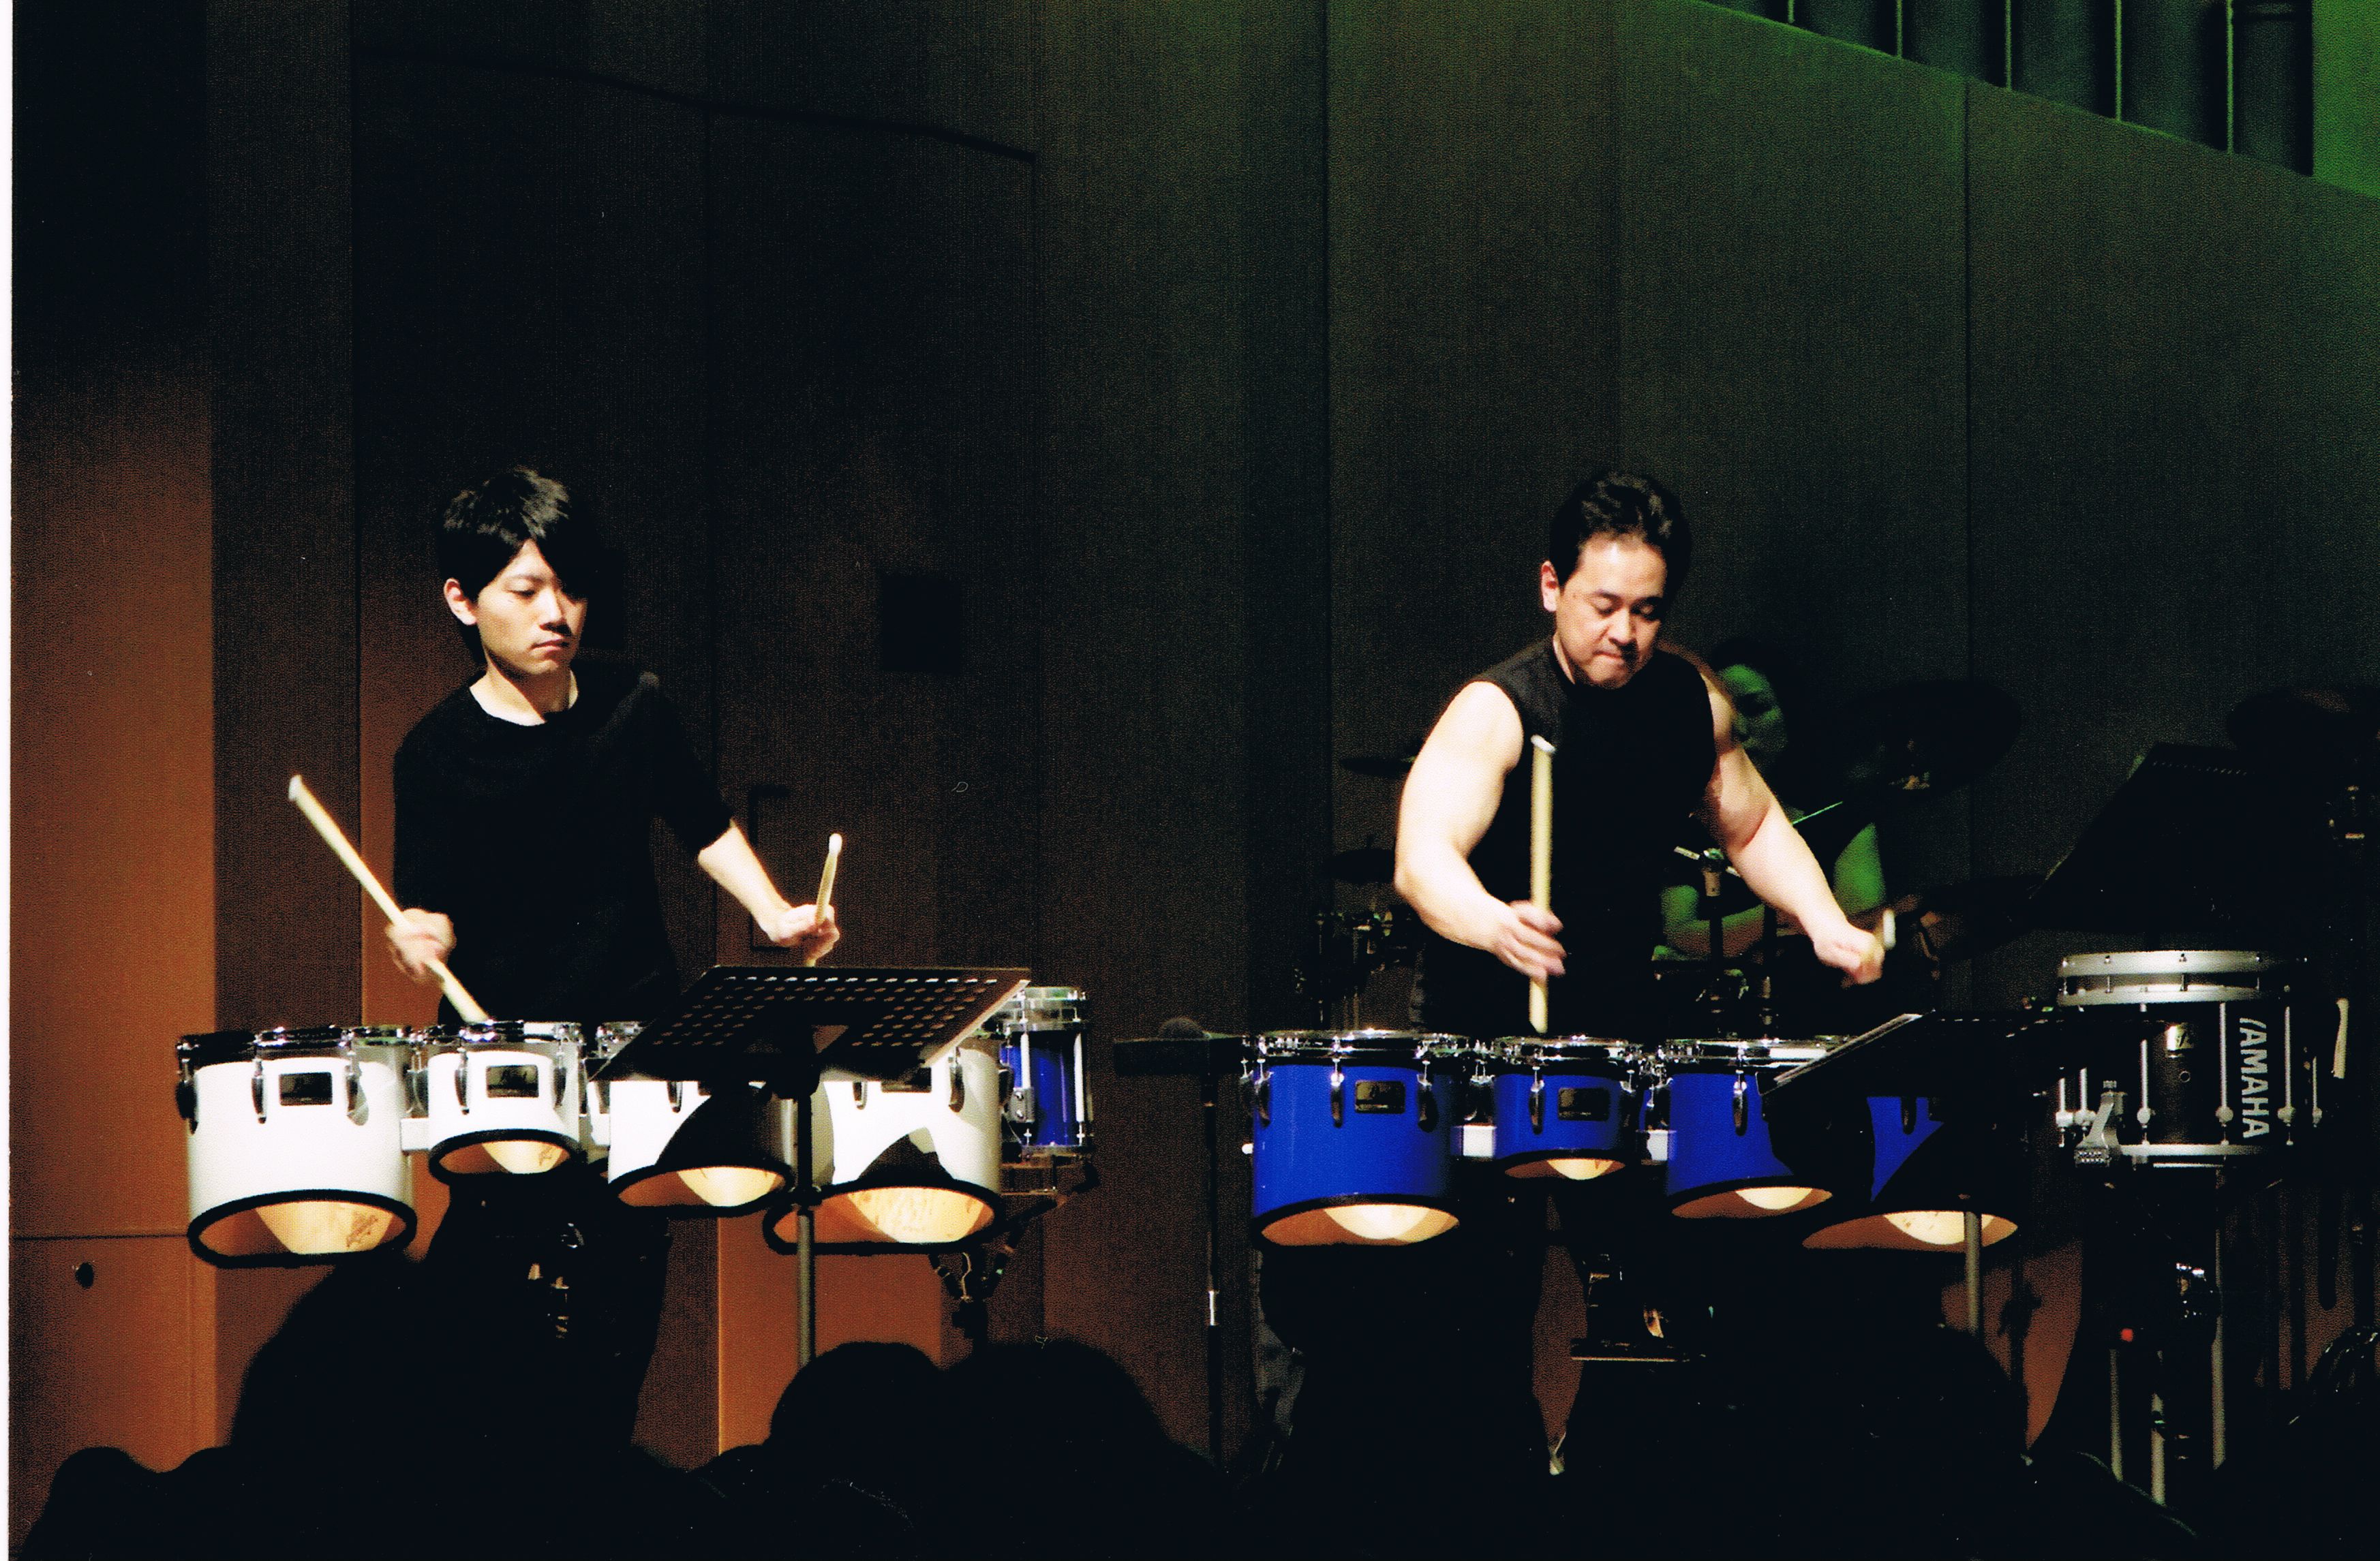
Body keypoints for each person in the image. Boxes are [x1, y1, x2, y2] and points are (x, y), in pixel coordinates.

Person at [383, 466, 840, 1446]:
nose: (557, 613)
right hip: (506, 1068)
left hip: (637, 1050)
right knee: (485, 1325)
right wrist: (421, 935)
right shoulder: (434, 751)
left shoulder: (634, 702)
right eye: (525, 590)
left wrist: (774, 911)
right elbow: (424, 903)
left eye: (571, 588)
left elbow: (702, 820)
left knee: (619, 1321)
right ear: (462, 600)